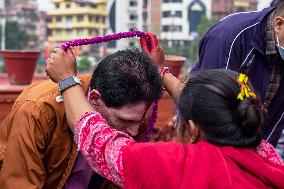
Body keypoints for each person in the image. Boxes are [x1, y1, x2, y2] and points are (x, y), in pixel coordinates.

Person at [45, 43, 284, 188]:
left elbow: (101, 143)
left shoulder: (181, 164)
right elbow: (210, 106)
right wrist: (162, 72)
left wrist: (67, 80)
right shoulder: (267, 157)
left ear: (192, 128)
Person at [0, 49, 163, 189]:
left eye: (139, 121)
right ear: (94, 99)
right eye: (125, 121)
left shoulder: (135, 113)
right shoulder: (37, 110)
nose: (134, 131)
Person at [189, 2, 284, 157]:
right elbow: (211, 108)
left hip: (253, 149)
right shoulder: (230, 36)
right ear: (279, 24)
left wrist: (263, 161)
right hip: (212, 144)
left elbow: (276, 121)